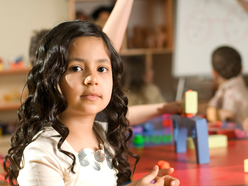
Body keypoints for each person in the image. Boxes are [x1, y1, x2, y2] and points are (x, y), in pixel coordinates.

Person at [207, 46, 248, 129]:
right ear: (241, 69)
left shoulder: (232, 92)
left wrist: (218, 114)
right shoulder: (236, 85)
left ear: (214, 73)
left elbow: (228, 116)